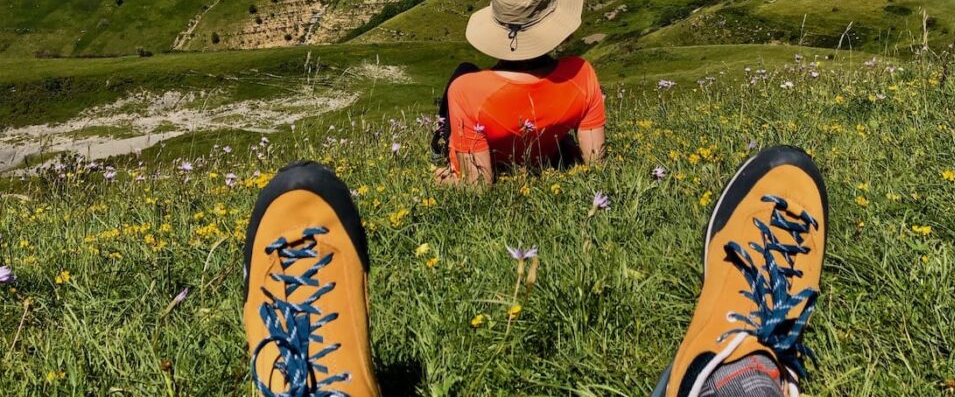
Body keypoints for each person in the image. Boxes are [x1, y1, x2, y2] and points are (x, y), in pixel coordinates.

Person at [242, 145, 827, 397]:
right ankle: (732, 375)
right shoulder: (579, 77)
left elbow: (477, 181)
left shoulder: (471, 85)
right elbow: (594, 157)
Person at [430, 0, 607, 187]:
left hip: (485, 157)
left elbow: (478, 186)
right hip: (543, 157)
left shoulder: (466, 90)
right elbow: (596, 162)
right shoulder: (581, 74)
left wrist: (438, 180)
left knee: (464, 70)